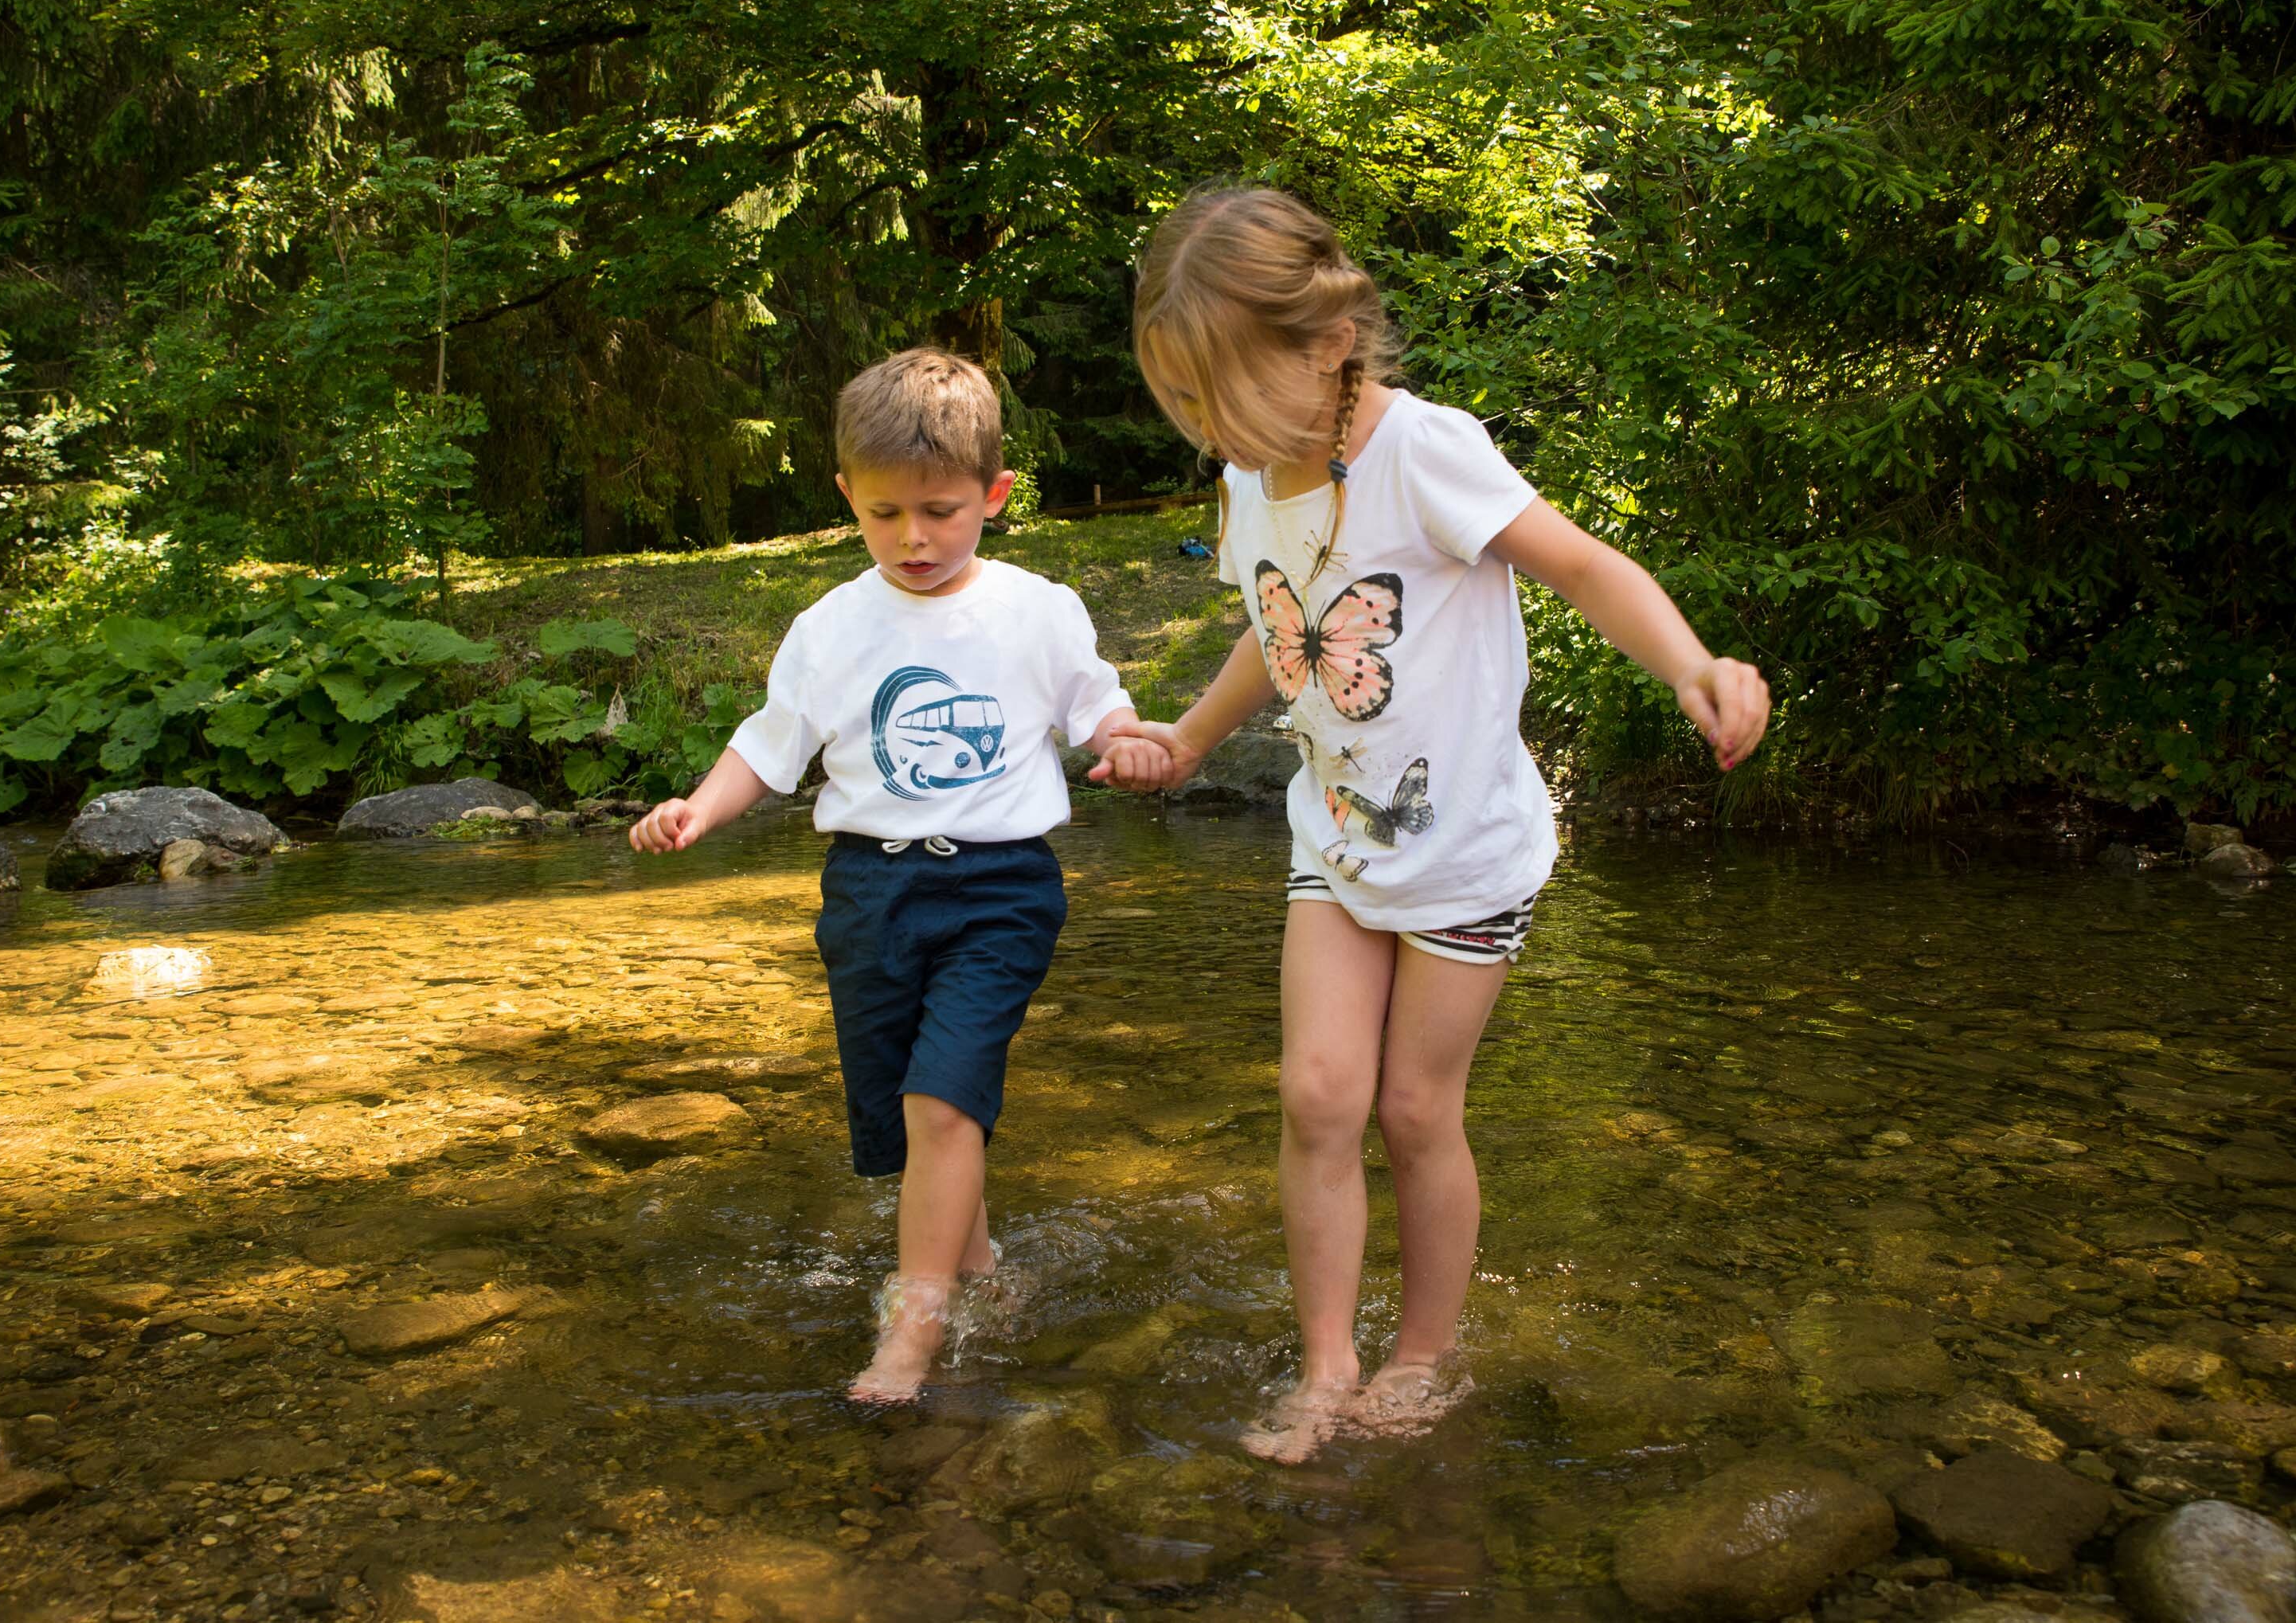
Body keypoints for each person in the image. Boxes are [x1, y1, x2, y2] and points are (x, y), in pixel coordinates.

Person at [1110, 187, 1771, 1461]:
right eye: (1184, 402)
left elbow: (1580, 562)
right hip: (1337, 841)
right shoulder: (1255, 475)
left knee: (1415, 1111)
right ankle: (1323, 1364)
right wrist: (1191, 736)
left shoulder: (1427, 450)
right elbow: (1276, 622)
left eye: (1225, 397)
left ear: (1330, 340)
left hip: (1463, 849)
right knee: (1316, 1095)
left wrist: (1690, 665)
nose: (1211, 431)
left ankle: (1423, 1356)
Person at [629, 347, 1173, 1402]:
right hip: (869, 894)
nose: (912, 538)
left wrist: (1129, 737)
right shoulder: (830, 626)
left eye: (939, 509)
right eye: (884, 515)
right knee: (906, 1119)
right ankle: (977, 1264)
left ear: (995, 496)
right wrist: (701, 802)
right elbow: (770, 745)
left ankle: (910, 1332)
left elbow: (1094, 702)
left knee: (939, 1099)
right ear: (847, 495)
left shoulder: (1036, 608)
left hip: (1000, 888)